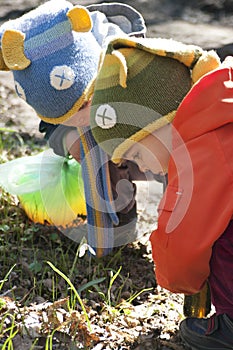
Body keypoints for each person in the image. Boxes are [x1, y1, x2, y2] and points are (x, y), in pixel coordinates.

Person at [89, 36, 233, 349]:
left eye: (136, 155)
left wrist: (180, 282)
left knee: (221, 240)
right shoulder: (221, 111)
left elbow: (183, 242)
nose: (146, 169)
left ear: (156, 124)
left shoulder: (198, 152)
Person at [0, 0, 165, 256]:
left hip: (128, 116)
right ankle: (119, 212)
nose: (80, 117)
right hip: (88, 134)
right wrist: (100, 246)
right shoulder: (55, 102)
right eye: (71, 115)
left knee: (159, 153)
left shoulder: (127, 68)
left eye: (83, 106)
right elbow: (55, 129)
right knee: (90, 150)